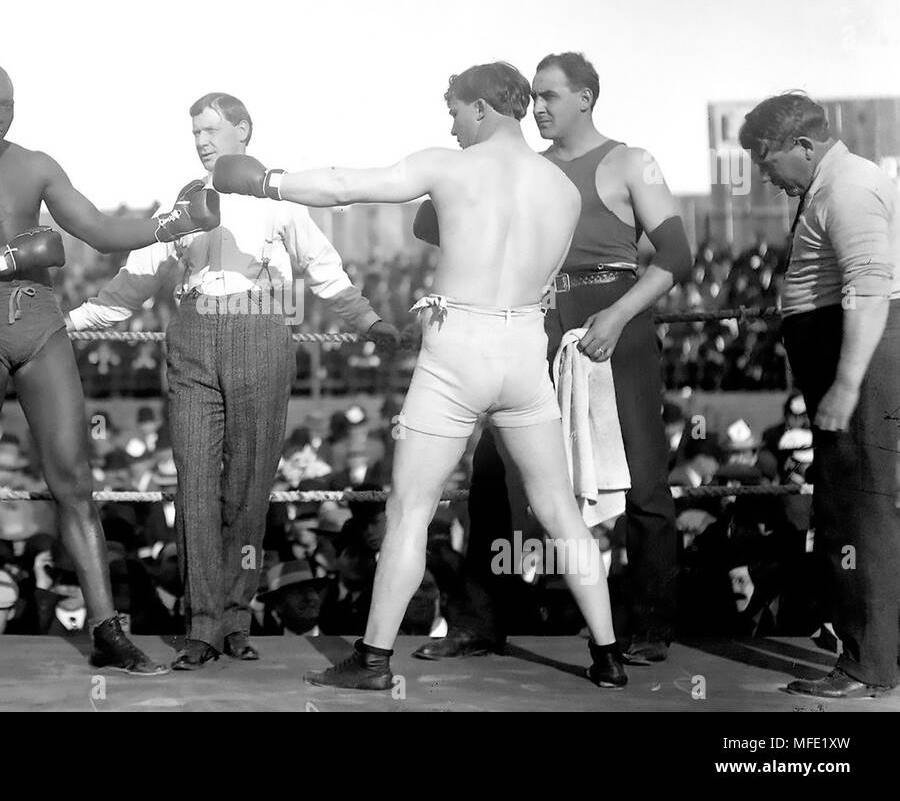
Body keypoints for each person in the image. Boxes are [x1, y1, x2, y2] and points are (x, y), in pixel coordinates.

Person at [213, 62, 626, 689]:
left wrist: (267, 181)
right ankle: (609, 656)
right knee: (560, 511)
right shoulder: (564, 189)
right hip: (524, 350)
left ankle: (375, 660)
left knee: (410, 510)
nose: (451, 123)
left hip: (458, 346)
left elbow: (343, 185)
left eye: (456, 109)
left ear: (483, 108)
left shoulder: (449, 165)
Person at [0, 63, 220, 676]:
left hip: (41, 321)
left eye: (7, 104)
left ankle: (107, 630)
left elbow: (99, 231)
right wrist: (7, 255)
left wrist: (174, 223)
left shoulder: (37, 164)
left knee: (74, 480)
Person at [68, 92, 399, 669]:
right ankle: (201, 625)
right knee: (193, 482)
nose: (200, 140)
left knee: (248, 487)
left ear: (243, 132)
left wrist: (368, 321)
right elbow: (134, 280)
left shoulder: (279, 195)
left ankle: (236, 620)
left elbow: (324, 269)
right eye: (194, 130)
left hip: (260, 330)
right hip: (192, 334)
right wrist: (68, 322)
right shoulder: (185, 199)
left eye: (212, 130)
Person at [413, 52, 688, 665]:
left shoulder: (627, 162)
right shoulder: (521, 168)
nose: (537, 107)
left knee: (644, 477)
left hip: (614, 319)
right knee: (492, 473)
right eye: (533, 97)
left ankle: (647, 629)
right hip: (536, 321)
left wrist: (617, 318)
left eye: (551, 96)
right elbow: (429, 221)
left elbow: (676, 255)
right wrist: (473, 162)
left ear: (586, 97)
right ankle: (481, 623)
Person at [739, 92, 900, 699]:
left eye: (766, 158)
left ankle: (868, 666)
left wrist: (847, 382)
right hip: (842, 353)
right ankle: (879, 655)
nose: (762, 173)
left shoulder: (850, 188)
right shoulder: (827, 186)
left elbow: (869, 289)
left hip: (857, 357)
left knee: (860, 511)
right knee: (849, 508)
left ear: (803, 147)